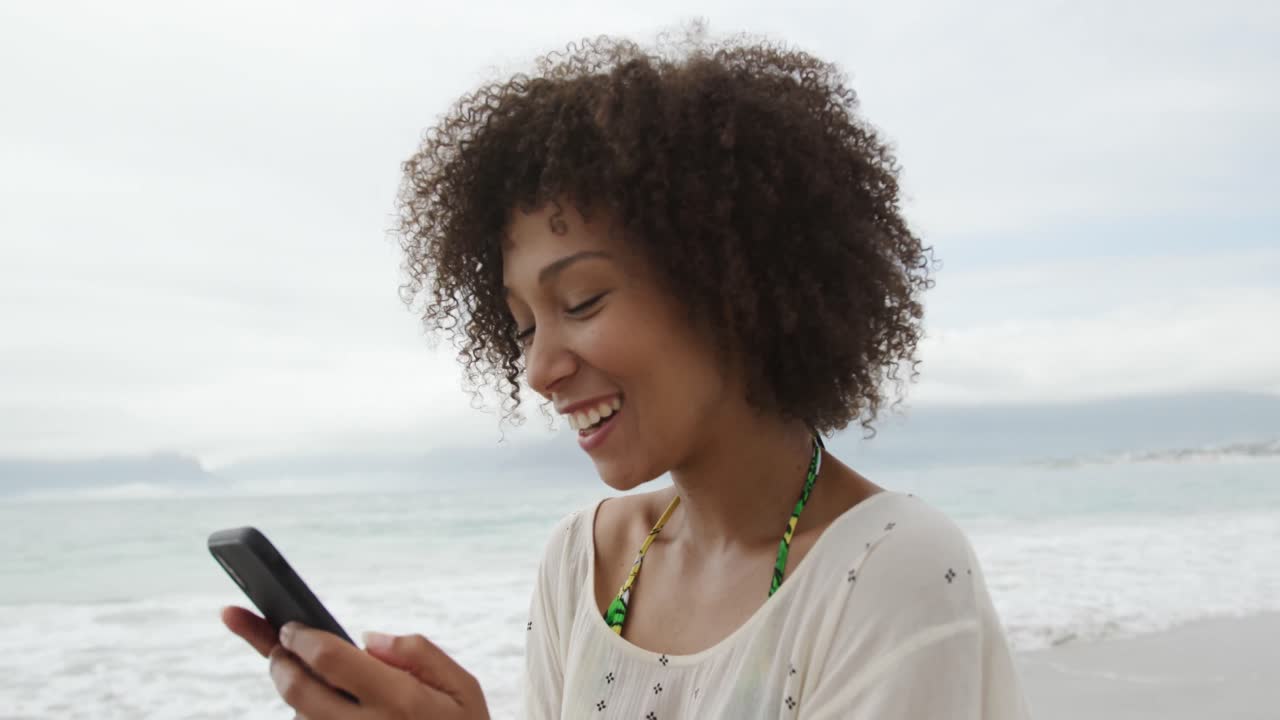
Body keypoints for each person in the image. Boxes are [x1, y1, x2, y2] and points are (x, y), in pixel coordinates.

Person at [222, 28, 1032, 720]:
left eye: (582, 299)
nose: (538, 368)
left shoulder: (891, 570)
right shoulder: (584, 560)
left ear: (731, 282)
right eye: (522, 324)